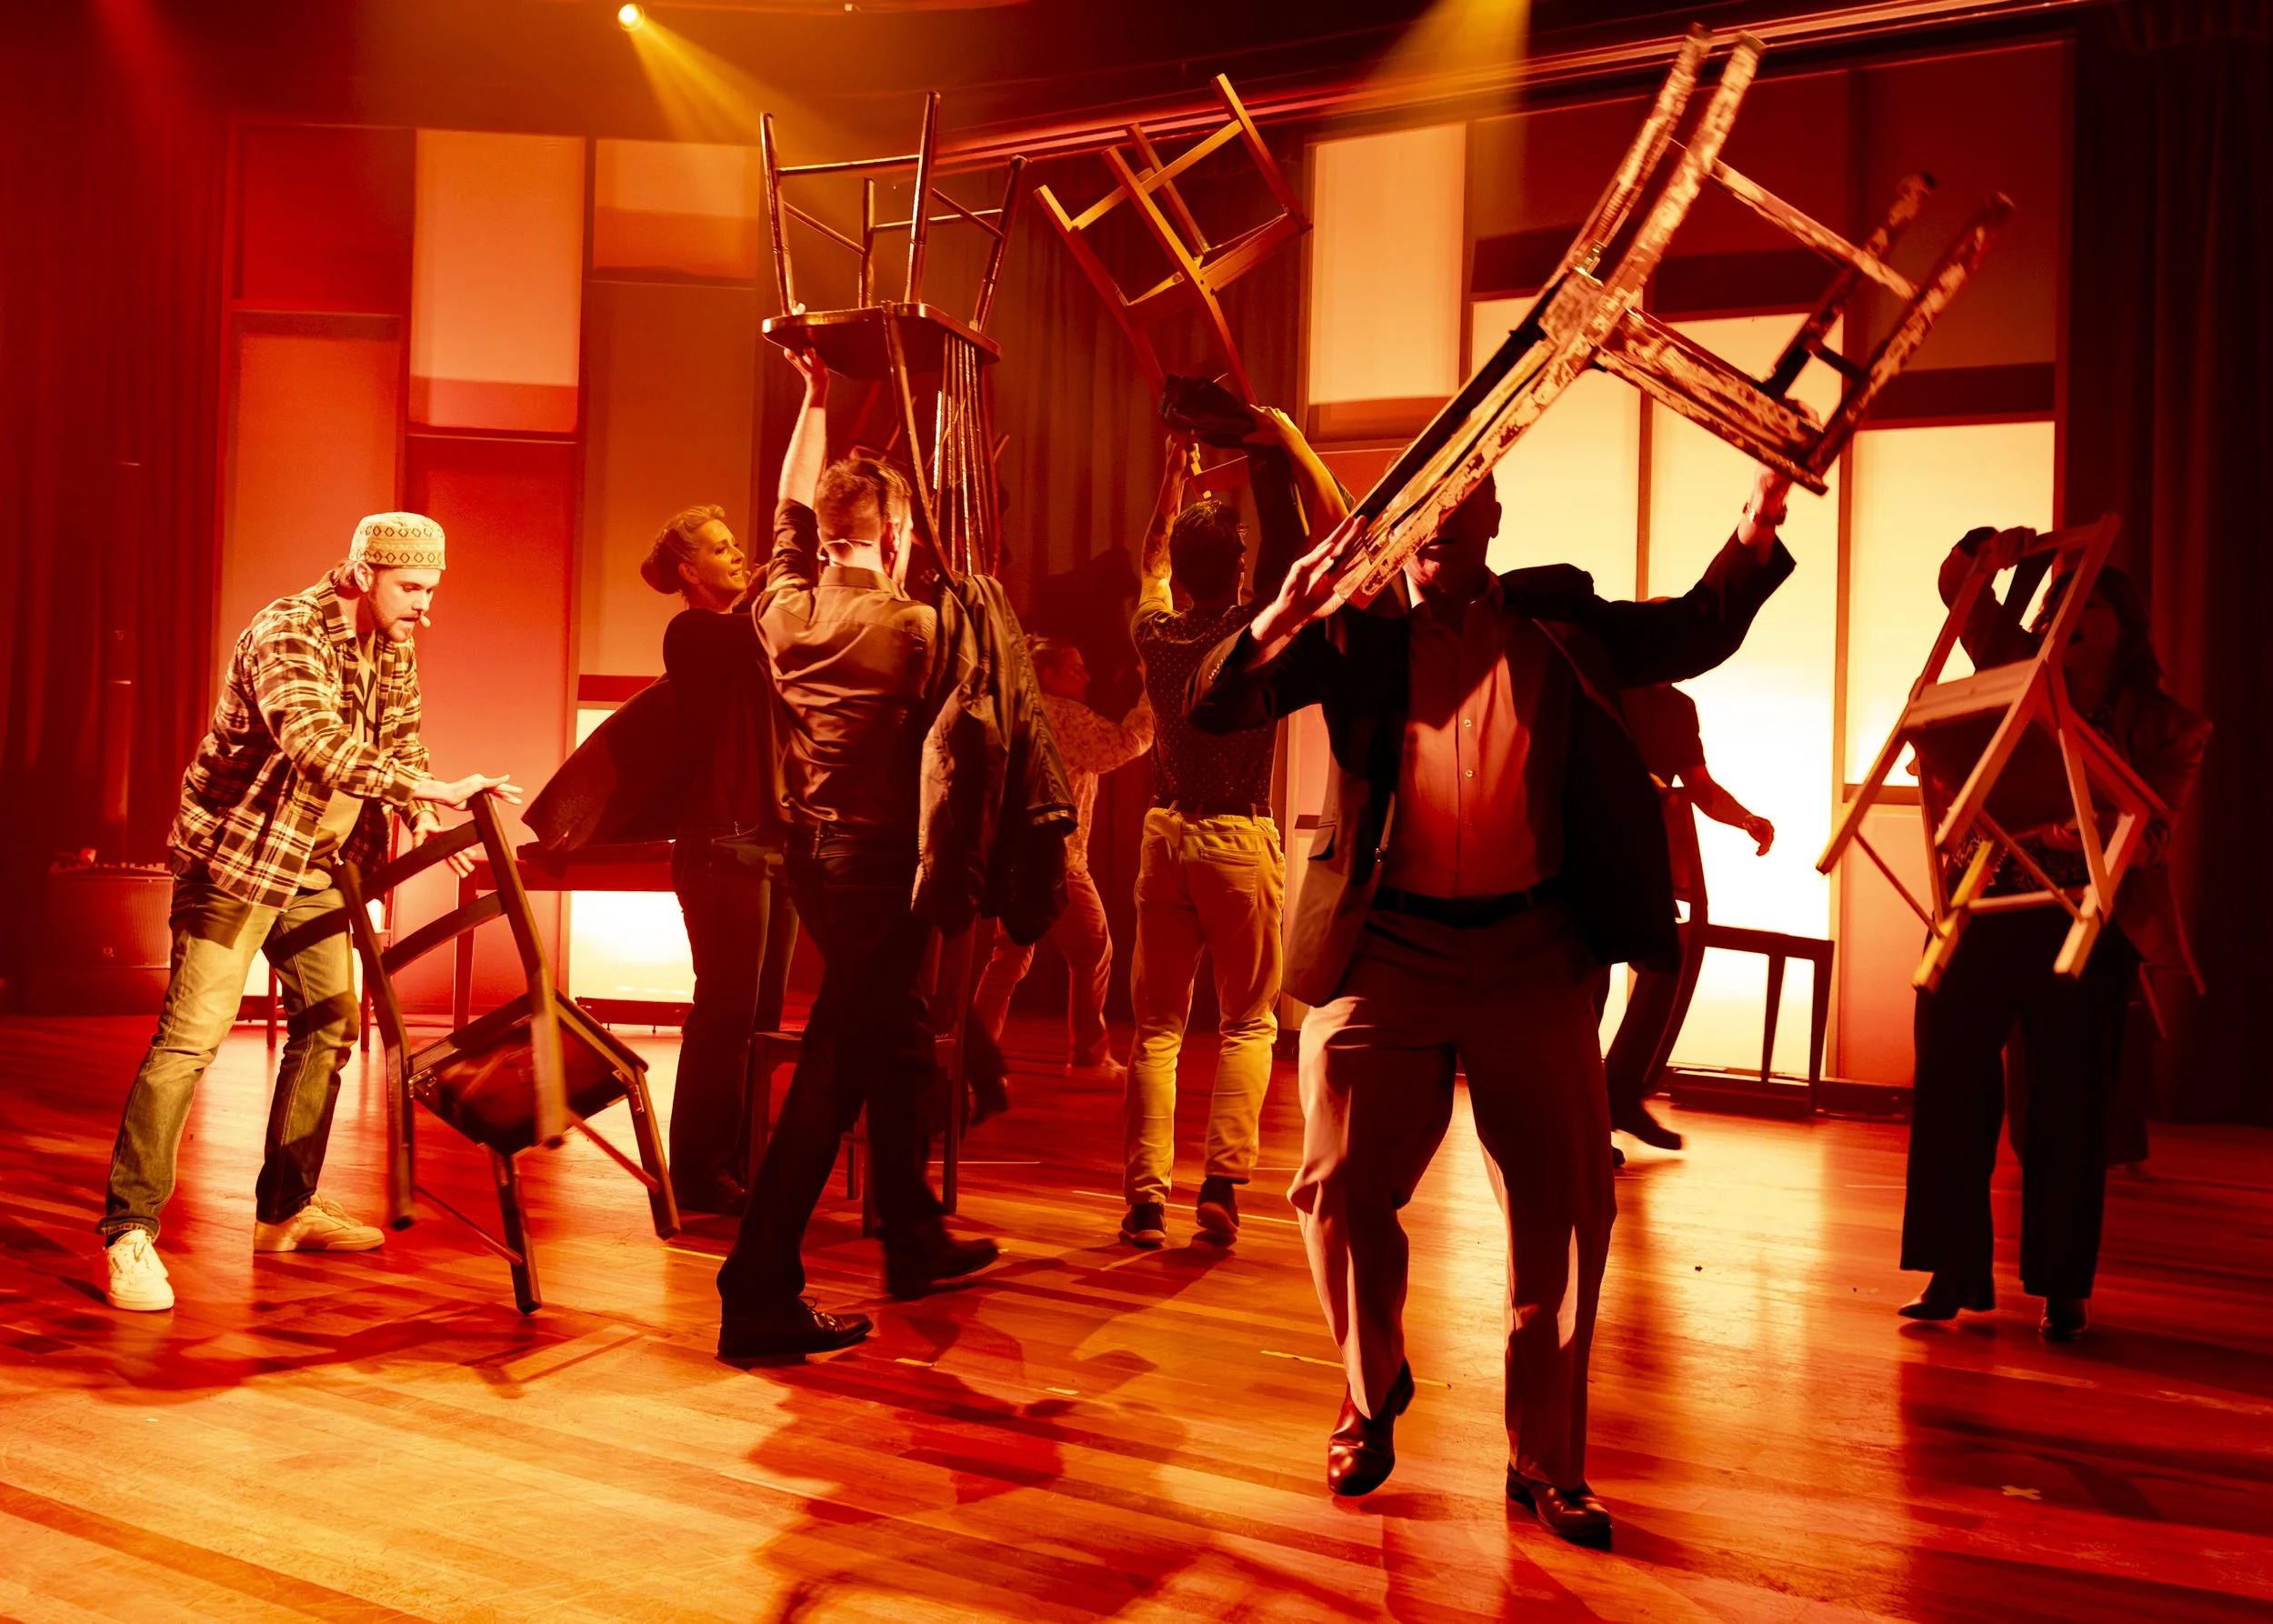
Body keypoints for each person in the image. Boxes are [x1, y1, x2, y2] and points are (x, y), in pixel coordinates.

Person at [1188, 465, 1797, 1544]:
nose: (1434, 530)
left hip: (1533, 946)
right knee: (1334, 1184)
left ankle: (1546, 1462)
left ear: (1492, 520)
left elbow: (1693, 631)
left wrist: (1752, 528)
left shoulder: (1557, 619)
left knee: (1563, 1210)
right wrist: (1280, 614)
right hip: (1386, 949)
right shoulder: (1354, 633)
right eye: (1416, 514)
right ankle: (1370, 1394)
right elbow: (1218, 706)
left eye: (1456, 506)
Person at [98, 514, 518, 1312]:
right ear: (363, 572)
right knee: (190, 1042)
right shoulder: (287, 628)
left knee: (330, 1022)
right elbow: (313, 741)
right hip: (235, 863)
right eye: (413, 588)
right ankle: (129, 1232)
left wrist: (422, 810)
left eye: (434, 590)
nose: (427, 609)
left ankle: (285, 1212)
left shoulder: (393, 644)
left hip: (315, 868)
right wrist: (424, 790)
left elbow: (400, 743)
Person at [715, 349, 1000, 1360]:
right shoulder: (918, 630)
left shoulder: (784, 615)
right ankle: (755, 1286)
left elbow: (790, 514)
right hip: (884, 867)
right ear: (895, 534)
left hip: (815, 861)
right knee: (838, 1065)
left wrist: (815, 400)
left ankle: (913, 1233)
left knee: (895, 1036)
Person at [1898, 528, 2208, 1342]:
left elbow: (2159, 834)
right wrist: (2001, 552)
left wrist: (2100, 825)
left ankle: (2063, 1285)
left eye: (2091, 604)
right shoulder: (2014, 665)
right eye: (2061, 605)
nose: (2067, 619)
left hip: (2086, 917)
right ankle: (1950, 1267)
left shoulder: (2167, 725)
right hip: (1989, 897)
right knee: (1949, 1068)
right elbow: (1954, 577)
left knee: (2070, 1104)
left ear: (2126, 628)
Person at [1123, 396, 1338, 1251]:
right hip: (1237, 841)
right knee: (1248, 1021)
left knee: (1156, 1030)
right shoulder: (1253, 634)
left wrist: (1171, 480)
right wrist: (1278, 442)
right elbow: (1304, 560)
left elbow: (1148, 564)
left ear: (1181, 568)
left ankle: (1144, 1203)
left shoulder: (1156, 633)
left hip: (1162, 837)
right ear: (1239, 568)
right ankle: (1218, 1186)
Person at [638, 506, 799, 1216]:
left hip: (773, 842)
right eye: (721, 549)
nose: (739, 555)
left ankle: (740, 1160)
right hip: (721, 841)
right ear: (688, 571)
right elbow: (764, 628)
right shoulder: (695, 632)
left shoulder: (752, 639)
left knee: (759, 1016)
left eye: (738, 545)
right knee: (726, 1012)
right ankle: (701, 1171)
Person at [1596, 680, 1776, 1153]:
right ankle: (1579, 1116)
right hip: (1586, 847)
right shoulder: (1598, 682)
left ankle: (1619, 1091)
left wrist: (1745, 818)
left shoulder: (1678, 707)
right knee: (1589, 983)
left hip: (1640, 856)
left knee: (1665, 961)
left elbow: (1700, 787)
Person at [969, 635, 1152, 1082]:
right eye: (1075, 668)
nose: (1086, 676)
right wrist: (1154, 693)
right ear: (1047, 675)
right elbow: (1125, 743)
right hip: (1057, 860)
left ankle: (974, 1057)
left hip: (1011, 857)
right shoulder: (1065, 716)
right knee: (1093, 946)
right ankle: (1089, 1056)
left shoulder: (1014, 711)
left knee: (1009, 957)